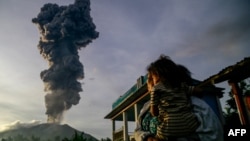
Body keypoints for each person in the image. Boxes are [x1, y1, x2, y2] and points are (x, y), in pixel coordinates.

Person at [134, 55, 224, 141]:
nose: (150, 84)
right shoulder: (146, 106)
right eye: (150, 80)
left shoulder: (196, 104)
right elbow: (137, 131)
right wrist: (146, 138)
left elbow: (215, 135)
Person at [146, 55, 200, 141]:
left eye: (152, 77)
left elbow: (154, 113)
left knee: (159, 136)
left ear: (158, 76)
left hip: (169, 129)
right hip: (190, 125)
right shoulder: (181, 85)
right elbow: (195, 90)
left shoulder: (156, 89)